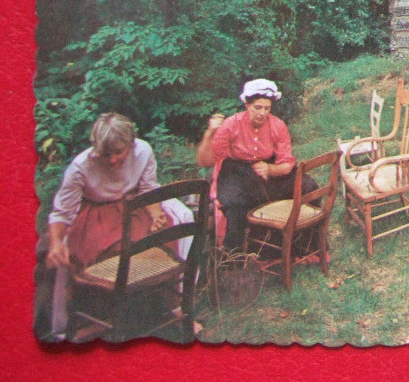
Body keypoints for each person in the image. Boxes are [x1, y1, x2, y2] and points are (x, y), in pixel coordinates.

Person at [36, 113, 194, 340]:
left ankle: (159, 307)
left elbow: (148, 188)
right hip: (97, 212)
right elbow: (62, 211)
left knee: (160, 237)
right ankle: (102, 314)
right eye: (105, 154)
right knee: (106, 251)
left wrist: (156, 213)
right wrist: (55, 243)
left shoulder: (143, 151)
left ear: (131, 144)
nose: (111, 160)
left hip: (133, 206)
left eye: (118, 152)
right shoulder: (80, 167)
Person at [197, 78, 316, 250]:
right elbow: (204, 161)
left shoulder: (278, 126)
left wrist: (270, 169)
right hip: (236, 169)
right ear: (247, 105)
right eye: (257, 107)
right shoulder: (231, 124)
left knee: (307, 186)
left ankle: (300, 246)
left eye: (267, 108)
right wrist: (210, 132)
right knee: (236, 203)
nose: (262, 113)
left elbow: (286, 163)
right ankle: (238, 255)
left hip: (266, 166)